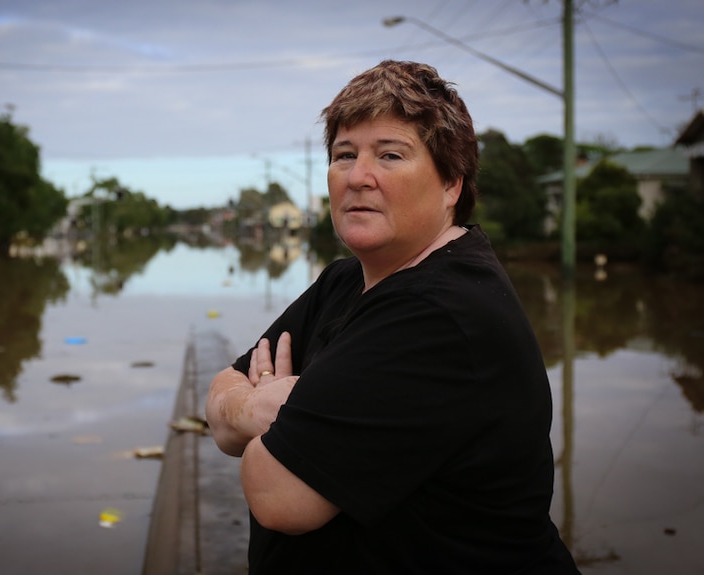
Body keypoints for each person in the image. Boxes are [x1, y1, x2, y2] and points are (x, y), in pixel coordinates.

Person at [205, 60, 580, 574]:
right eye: (344, 155)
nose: (359, 177)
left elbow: (276, 495)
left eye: (390, 155)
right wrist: (255, 411)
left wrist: (268, 419)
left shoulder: (438, 313)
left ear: (451, 183)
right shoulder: (346, 279)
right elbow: (220, 398)